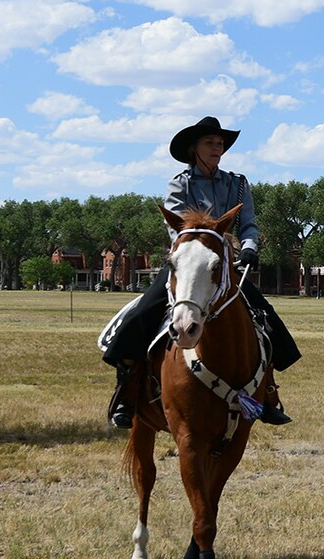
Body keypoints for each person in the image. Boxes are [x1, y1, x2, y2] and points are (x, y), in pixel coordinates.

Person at [102, 116, 298, 428]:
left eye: (220, 144)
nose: (217, 148)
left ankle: (268, 394)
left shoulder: (238, 184)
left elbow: (248, 222)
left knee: (265, 318)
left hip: (224, 269)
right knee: (141, 316)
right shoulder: (180, 184)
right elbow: (175, 226)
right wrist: (195, 249)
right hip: (188, 262)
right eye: (210, 143)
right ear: (194, 148)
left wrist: (249, 246)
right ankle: (126, 394)